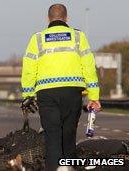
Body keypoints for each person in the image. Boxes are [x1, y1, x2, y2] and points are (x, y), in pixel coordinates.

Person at [20, 4, 101, 170]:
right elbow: (89, 67)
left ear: (48, 18)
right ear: (67, 18)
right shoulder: (79, 37)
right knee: (68, 135)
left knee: (52, 136)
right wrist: (94, 97)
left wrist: (28, 95)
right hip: (72, 93)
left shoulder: (37, 39)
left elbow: (29, 69)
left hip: (47, 94)